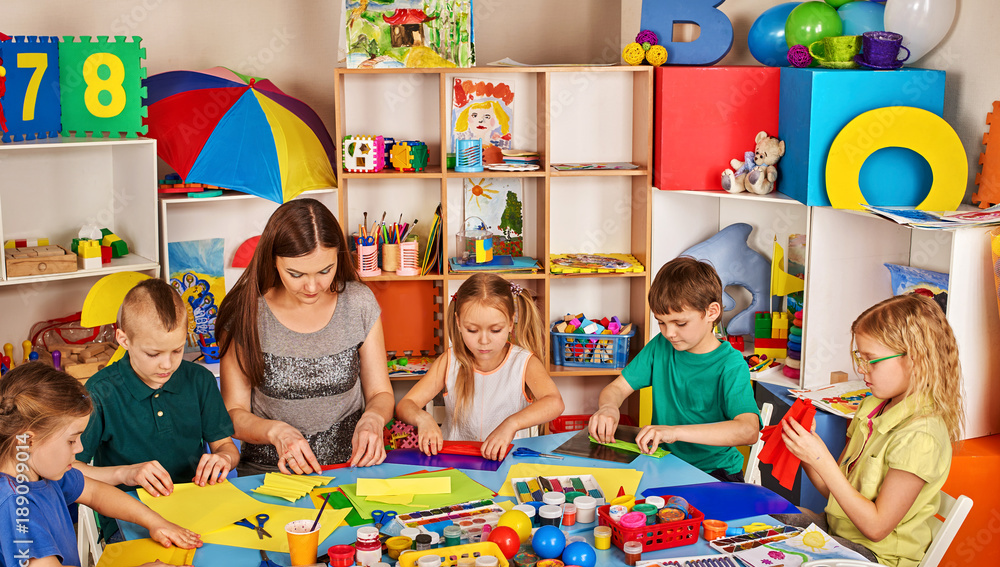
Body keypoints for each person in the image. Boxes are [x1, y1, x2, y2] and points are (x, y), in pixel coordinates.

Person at [1, 362, 200, 567]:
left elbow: (95, 493)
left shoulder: (42, 472)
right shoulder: (13, 503)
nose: (79, 448)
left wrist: (154, 521)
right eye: (71, 440)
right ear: (26, 440)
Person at [778, 294, 964, 567]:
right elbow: (835, 491)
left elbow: (876, 527)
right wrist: (805, 451)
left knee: (776, 557)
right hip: (839, 532)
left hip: (877, 558)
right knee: (760, 516)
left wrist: (820, 460)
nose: (862, 370)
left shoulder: (921, 436)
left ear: (915, 359)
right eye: (860, 358)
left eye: (872, 361)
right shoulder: (871, 407)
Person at [217, 198, 392, 473]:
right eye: (296, 274)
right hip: (268, 475)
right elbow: (233, 414)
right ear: (273, 261)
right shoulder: (245, 312)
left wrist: (374, 418)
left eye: (325, 270)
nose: (313, 286)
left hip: (351, 468)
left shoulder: (359, 303)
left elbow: (380, 392)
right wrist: (276, 433)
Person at [74, 278, 239, 541]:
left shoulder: (200, 380)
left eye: (177, 350)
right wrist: (126, 473)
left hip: (196, 503)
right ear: (123, 339)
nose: (167, 365)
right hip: (128, 514)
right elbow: (68, 470)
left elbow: (225, 446)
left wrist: (225, 459)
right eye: (153, 354)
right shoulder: (101, 391)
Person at [589, 257, 760, 480]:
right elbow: (617, 388)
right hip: (662, 463)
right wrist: (609, 408)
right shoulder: (660, 347)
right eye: (661, 322)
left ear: (711, 312)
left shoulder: (730, 364)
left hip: (715, 473)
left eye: (680, 323)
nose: (669, 333)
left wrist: (674, 432)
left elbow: (748, 430)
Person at [396, 273, 564, 460]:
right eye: (472, 330)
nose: (484, 341)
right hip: (457, 461)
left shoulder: (524, 362)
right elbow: (406, 405)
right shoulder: (450, 361)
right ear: (458, 322)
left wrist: (511, 424)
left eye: (495, 330)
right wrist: (423, 418)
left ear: (510, 322)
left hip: (508, 460)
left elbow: (554, 403)